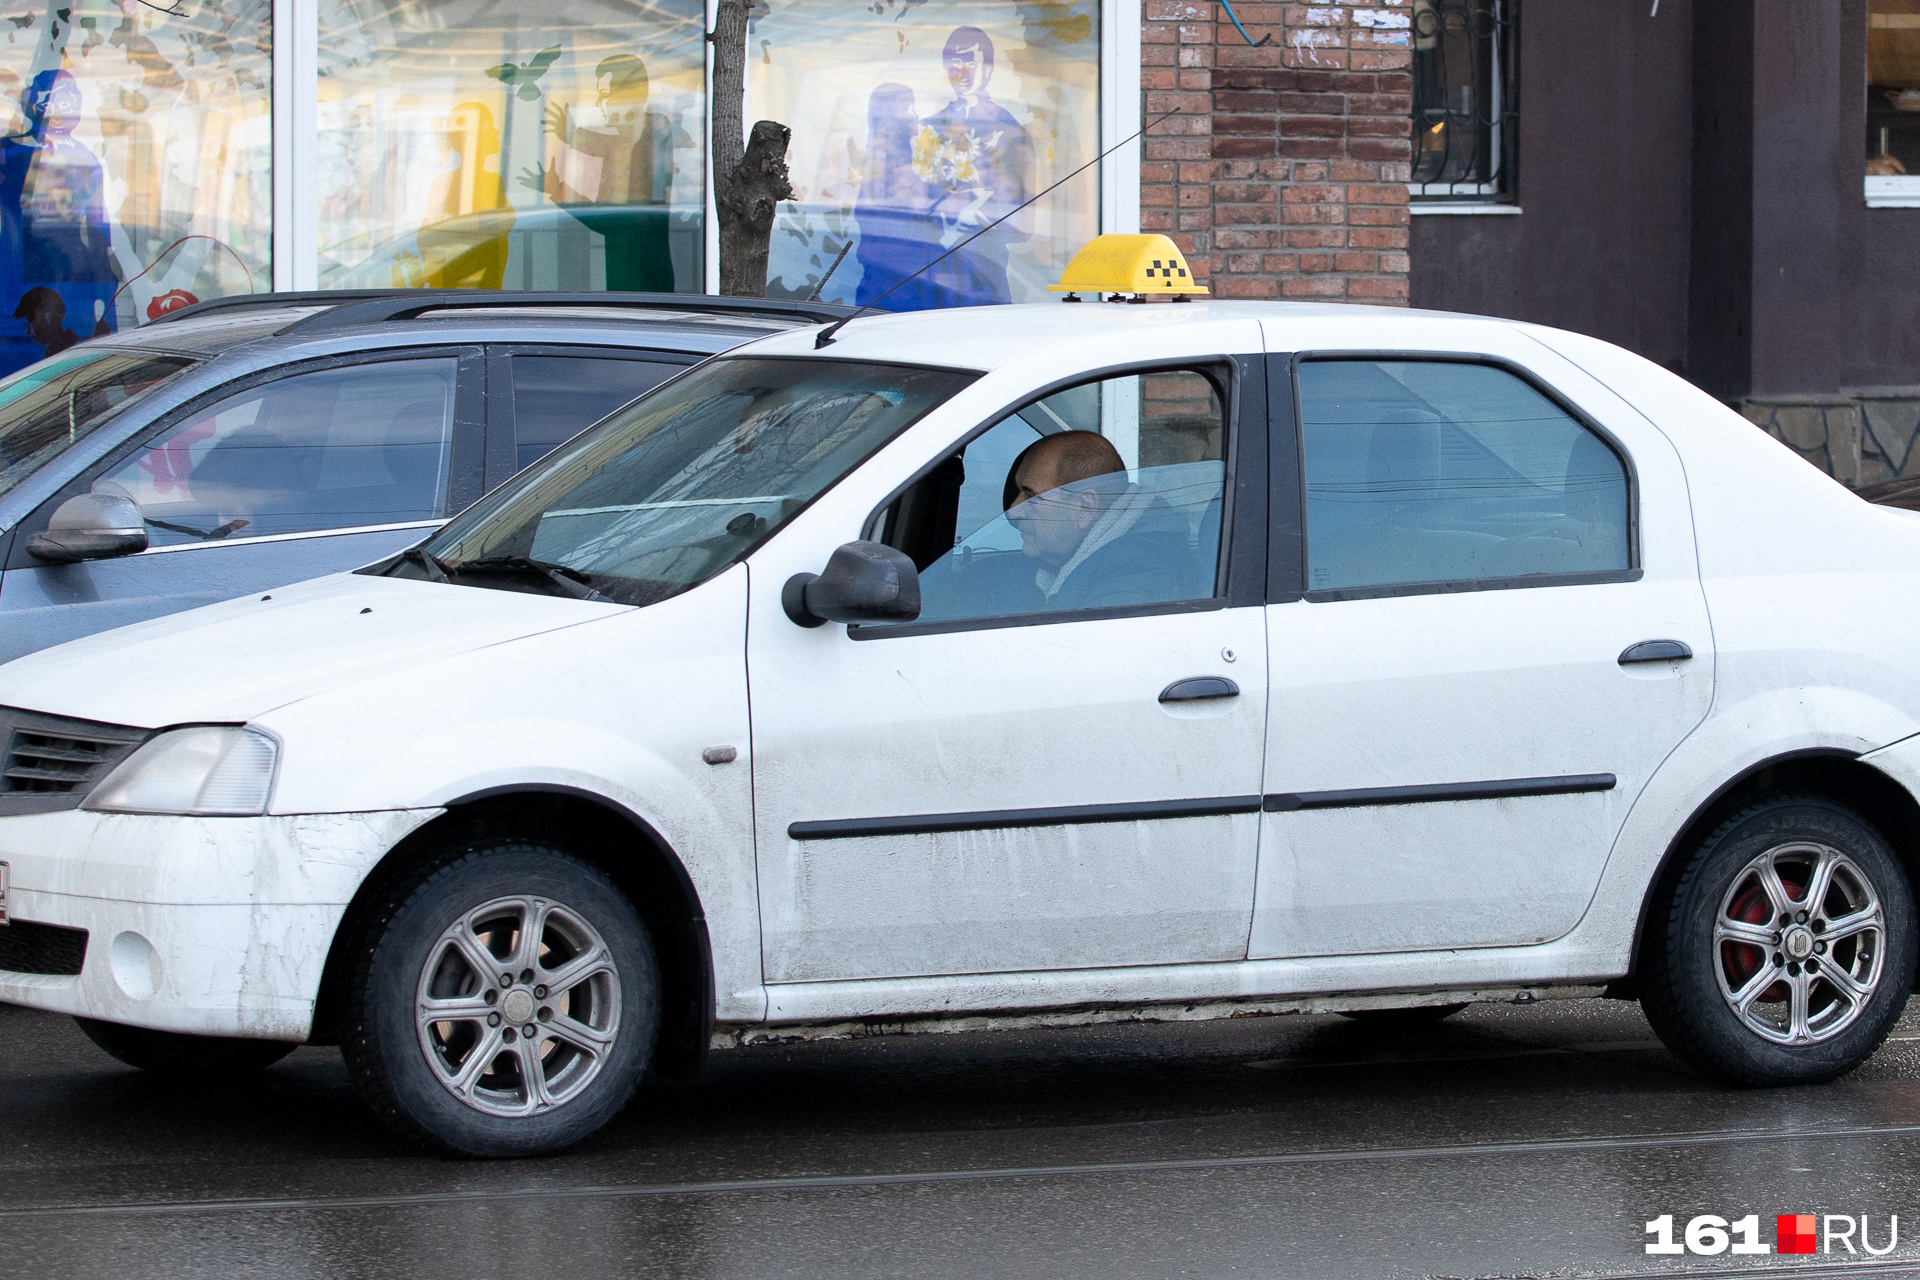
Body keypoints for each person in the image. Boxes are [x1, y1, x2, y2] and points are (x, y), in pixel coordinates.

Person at [1003, 430, 1191, 610]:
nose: (1013, 512)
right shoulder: (1070, 561)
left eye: (1031, 497)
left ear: (1085, 507)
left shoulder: (1135, 576)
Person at [920, 27, 1033, 307]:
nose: (963, 72)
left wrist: (979, 205)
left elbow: (1027, 218)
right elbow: (908, 204)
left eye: (972, 63)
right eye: (955, 63)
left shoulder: (1010, 131)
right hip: (935, 266)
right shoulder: (929, 128)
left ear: (989, 69)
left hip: (986, 266)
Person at [12, 285, 78, 358]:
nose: (28, 332)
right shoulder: (62, 350)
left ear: (47, 319)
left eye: (30, 325)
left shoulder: (70, 354)